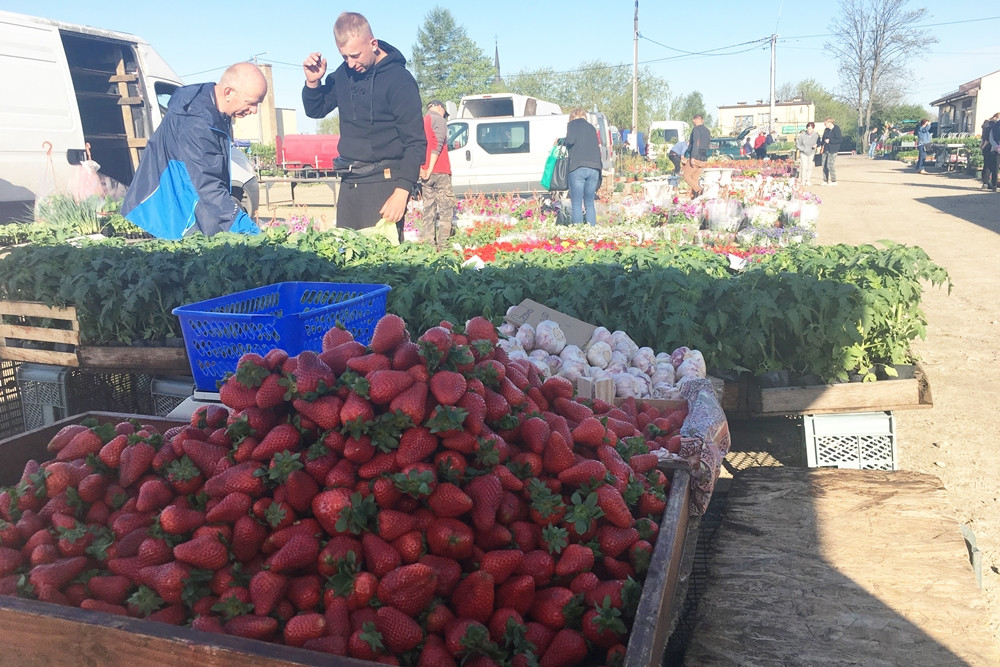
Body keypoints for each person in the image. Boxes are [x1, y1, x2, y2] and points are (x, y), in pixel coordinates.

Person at [302, 12, 425, 239]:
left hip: (385, 183)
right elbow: (316, 109)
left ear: (373, 44)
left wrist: (403, 190)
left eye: (355, 55)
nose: (350, 63)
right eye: (344, 56)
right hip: (349, 181)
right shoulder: (344, 74)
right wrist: (313, 82)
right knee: (346, 254)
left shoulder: (400, 80)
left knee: (381, 258)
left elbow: (415, 142)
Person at [121, 62, 265, 239]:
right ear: (228, 92)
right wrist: (251, 232)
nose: (254, 110)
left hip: (185, 206)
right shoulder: (197, 122)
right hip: (169, 216)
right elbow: (209, 186)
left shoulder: (212, 109)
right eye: (251, 102)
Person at [418, 100, 455, 249]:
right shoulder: (439, 120)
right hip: (440, 171)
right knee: (446, 209)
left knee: (428, 210)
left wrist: (422, 168)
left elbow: (417, 146)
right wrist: (430, 168)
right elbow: (437, 145)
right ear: (440, 108)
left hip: (425, 173)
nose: (444, 115)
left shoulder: (421, 121)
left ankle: (429, 247)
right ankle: (443, 246)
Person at [560, 108, 602, 225]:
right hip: (594, 168)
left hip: (578, 167)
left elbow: (570, 141)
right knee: (589, 203)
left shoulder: (572, 124)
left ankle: (579, 231)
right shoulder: (591, 128)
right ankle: (591, 230)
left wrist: (560, 141)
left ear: (572, 117)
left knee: (577, 204)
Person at [681, 114, 711, 199]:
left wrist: (692, 157)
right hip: (704, 157)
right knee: (695, 178)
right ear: (702, 120)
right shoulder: (707, 130)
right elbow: (708, 144)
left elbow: (696, 144)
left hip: (696, 156)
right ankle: (695, 198)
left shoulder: (696, 129)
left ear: (694, 120)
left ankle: (699, 190)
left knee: (686, 176)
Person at [795, 122, 821, 187]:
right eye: (808, 129)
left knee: (810, 167)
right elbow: (798, 144)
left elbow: (819, 142)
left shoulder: (816, 135)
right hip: (803, 153)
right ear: (806, 128)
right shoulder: (802, 135)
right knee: (804, 167)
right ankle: (803, 181)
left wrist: (816, 145)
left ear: (813, 129)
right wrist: (803, 149)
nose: (809, 130)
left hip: (811, 152)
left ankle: (808, 180)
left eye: (811, 129)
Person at [820, 117, 842, 186]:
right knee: (824, 165)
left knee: (830, 165)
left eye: (825, 123)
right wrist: (821, 146)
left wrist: (830, 141)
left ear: (830, 123)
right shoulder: (826, 130)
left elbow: (839, 139)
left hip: (833, 150)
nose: (824, 124)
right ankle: (825, 180)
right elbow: (823, 139)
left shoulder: (836, 129)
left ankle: (833, 180)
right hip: (825, 149)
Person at [981, 114, 1000, 190]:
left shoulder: (991, 127)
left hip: (992, 149)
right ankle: (994, 185)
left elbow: (990, 139)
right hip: (995, 150)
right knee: (996, 167)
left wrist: (996, 147)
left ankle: (985, 184)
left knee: (987, 165)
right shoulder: (993, 127)